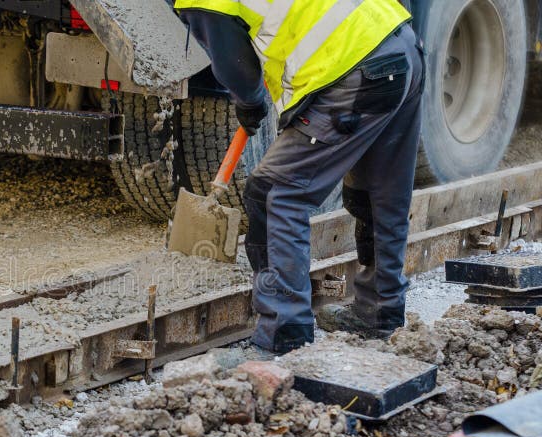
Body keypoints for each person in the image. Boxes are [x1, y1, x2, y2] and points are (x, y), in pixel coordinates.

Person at [175, 0, 425, 353]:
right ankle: (380, 310)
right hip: (403, 47)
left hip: (355, 66)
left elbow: (238, 70)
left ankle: (284, 330)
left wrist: (249, 102)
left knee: (275, 192)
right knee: (380, 191)